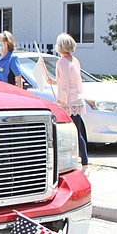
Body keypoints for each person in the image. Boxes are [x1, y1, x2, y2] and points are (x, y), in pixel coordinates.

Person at [48, 32, 89, 170]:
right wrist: (54, 81)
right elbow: (70, 81)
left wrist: (60, 101)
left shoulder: (61, 62)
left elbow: (65, 85)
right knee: (77, 132)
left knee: (69, 133)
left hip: (69, 102)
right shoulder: (74, 60)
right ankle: (84, 162)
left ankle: (80, 162)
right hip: (77, 99)